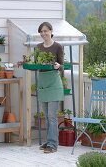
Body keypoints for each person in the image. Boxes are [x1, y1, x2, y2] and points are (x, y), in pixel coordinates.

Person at [37, 22, 64, 153]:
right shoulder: (38, 47)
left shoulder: (58, 46)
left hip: (54, 83)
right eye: (41, 31)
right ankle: (49, 141)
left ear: (51, 31)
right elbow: (36, 65)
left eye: (45, 31)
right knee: (46, 117)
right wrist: (38, 63)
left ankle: (53, 145)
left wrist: (58, 66)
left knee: (52, 116)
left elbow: (63, 66)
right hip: (42, 82)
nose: (43, 34)